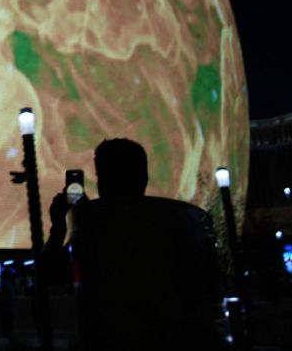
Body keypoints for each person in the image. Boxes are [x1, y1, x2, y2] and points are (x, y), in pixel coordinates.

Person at [43, 138, 222, 351]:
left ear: (102, 180)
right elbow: (213, 290)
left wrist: (61, 226)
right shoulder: (181, 223)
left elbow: (51, 274)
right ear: (144, 177)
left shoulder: (95, 226)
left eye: (101, 174)